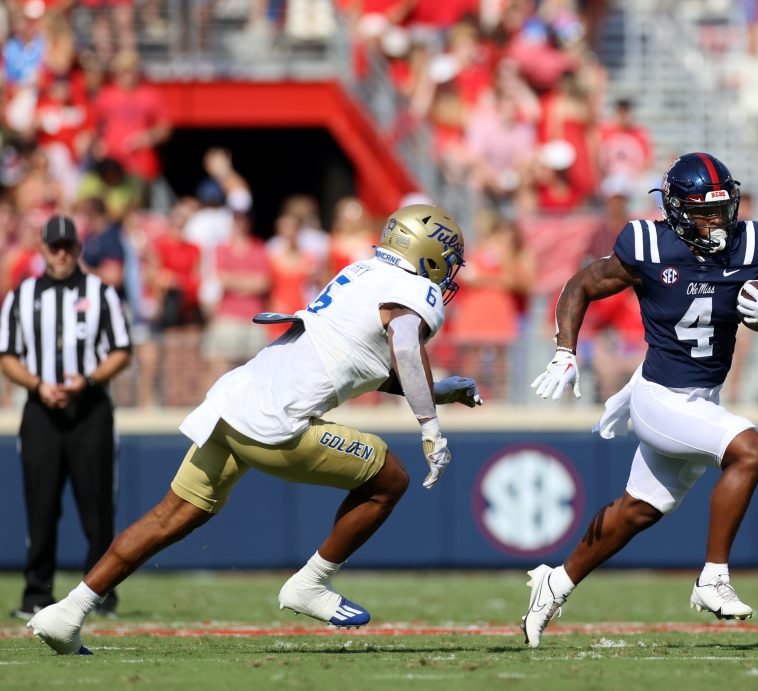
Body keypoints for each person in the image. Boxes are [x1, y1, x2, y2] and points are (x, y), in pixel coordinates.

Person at [26, 204, 483, 655]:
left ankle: (67, 611)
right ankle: (311, 584)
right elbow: (404, 347)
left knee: (171, 516)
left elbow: (363, 364)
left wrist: (437, 390)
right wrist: (431, 427)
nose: (447, 273)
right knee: (391, 479)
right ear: (428, 252)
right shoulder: (413, 289)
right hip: (276, 423)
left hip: (235, 401)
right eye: (447, 259)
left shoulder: (362, 272)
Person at [522, 153, 758, 648]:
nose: (715, 222)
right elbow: (581, 284)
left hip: (703, 397)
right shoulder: (648, 244)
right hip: (659, 396)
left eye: (722, 210)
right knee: (750, 450)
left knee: (639, 510)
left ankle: (557, 581)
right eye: (702, 211)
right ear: (675, 209)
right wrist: (565, 351)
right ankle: (712, 578)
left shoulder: (753, 244)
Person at [0, 215, 133, 621]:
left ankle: (100, 594)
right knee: (40, 504)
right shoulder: (21, 296)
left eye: (67, 246)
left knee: (96, 506)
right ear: (41, 248)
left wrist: (89, 380)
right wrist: (39, 385)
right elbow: (7, 355)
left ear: (77, 248)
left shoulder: (101, 293)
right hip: (40, 410)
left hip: (90, 409)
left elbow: (121, 350)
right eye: (53, 246)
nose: (61, 253)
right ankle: (36, 592)